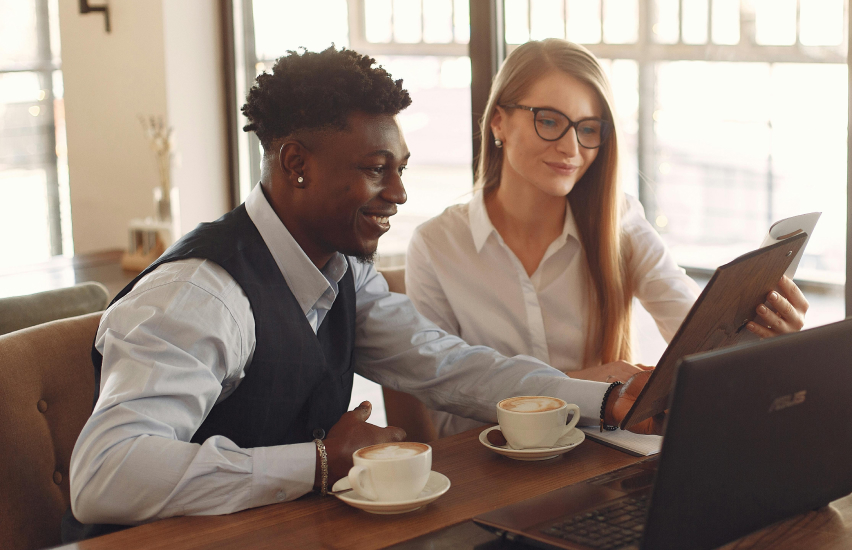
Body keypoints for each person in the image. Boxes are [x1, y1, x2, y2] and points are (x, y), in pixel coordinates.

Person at [63, 46, 657, 541]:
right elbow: (105, 475)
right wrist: (318, 463)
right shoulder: (201, 296)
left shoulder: (344, 271)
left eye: (401, 168)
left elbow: (450, 367)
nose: (398, 193)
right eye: (377, 169)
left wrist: (604, 402)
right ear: (296, 163)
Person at [405, 39, 809, 438]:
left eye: (588, 128)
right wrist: (585, 388)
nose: (571, 147)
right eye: (548, 120)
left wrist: (766, 339)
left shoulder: (620, 222)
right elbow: (447, 413)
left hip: (602, 461)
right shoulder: (436, 246)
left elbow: (696, 334)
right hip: (492, 471)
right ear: (498, 122)